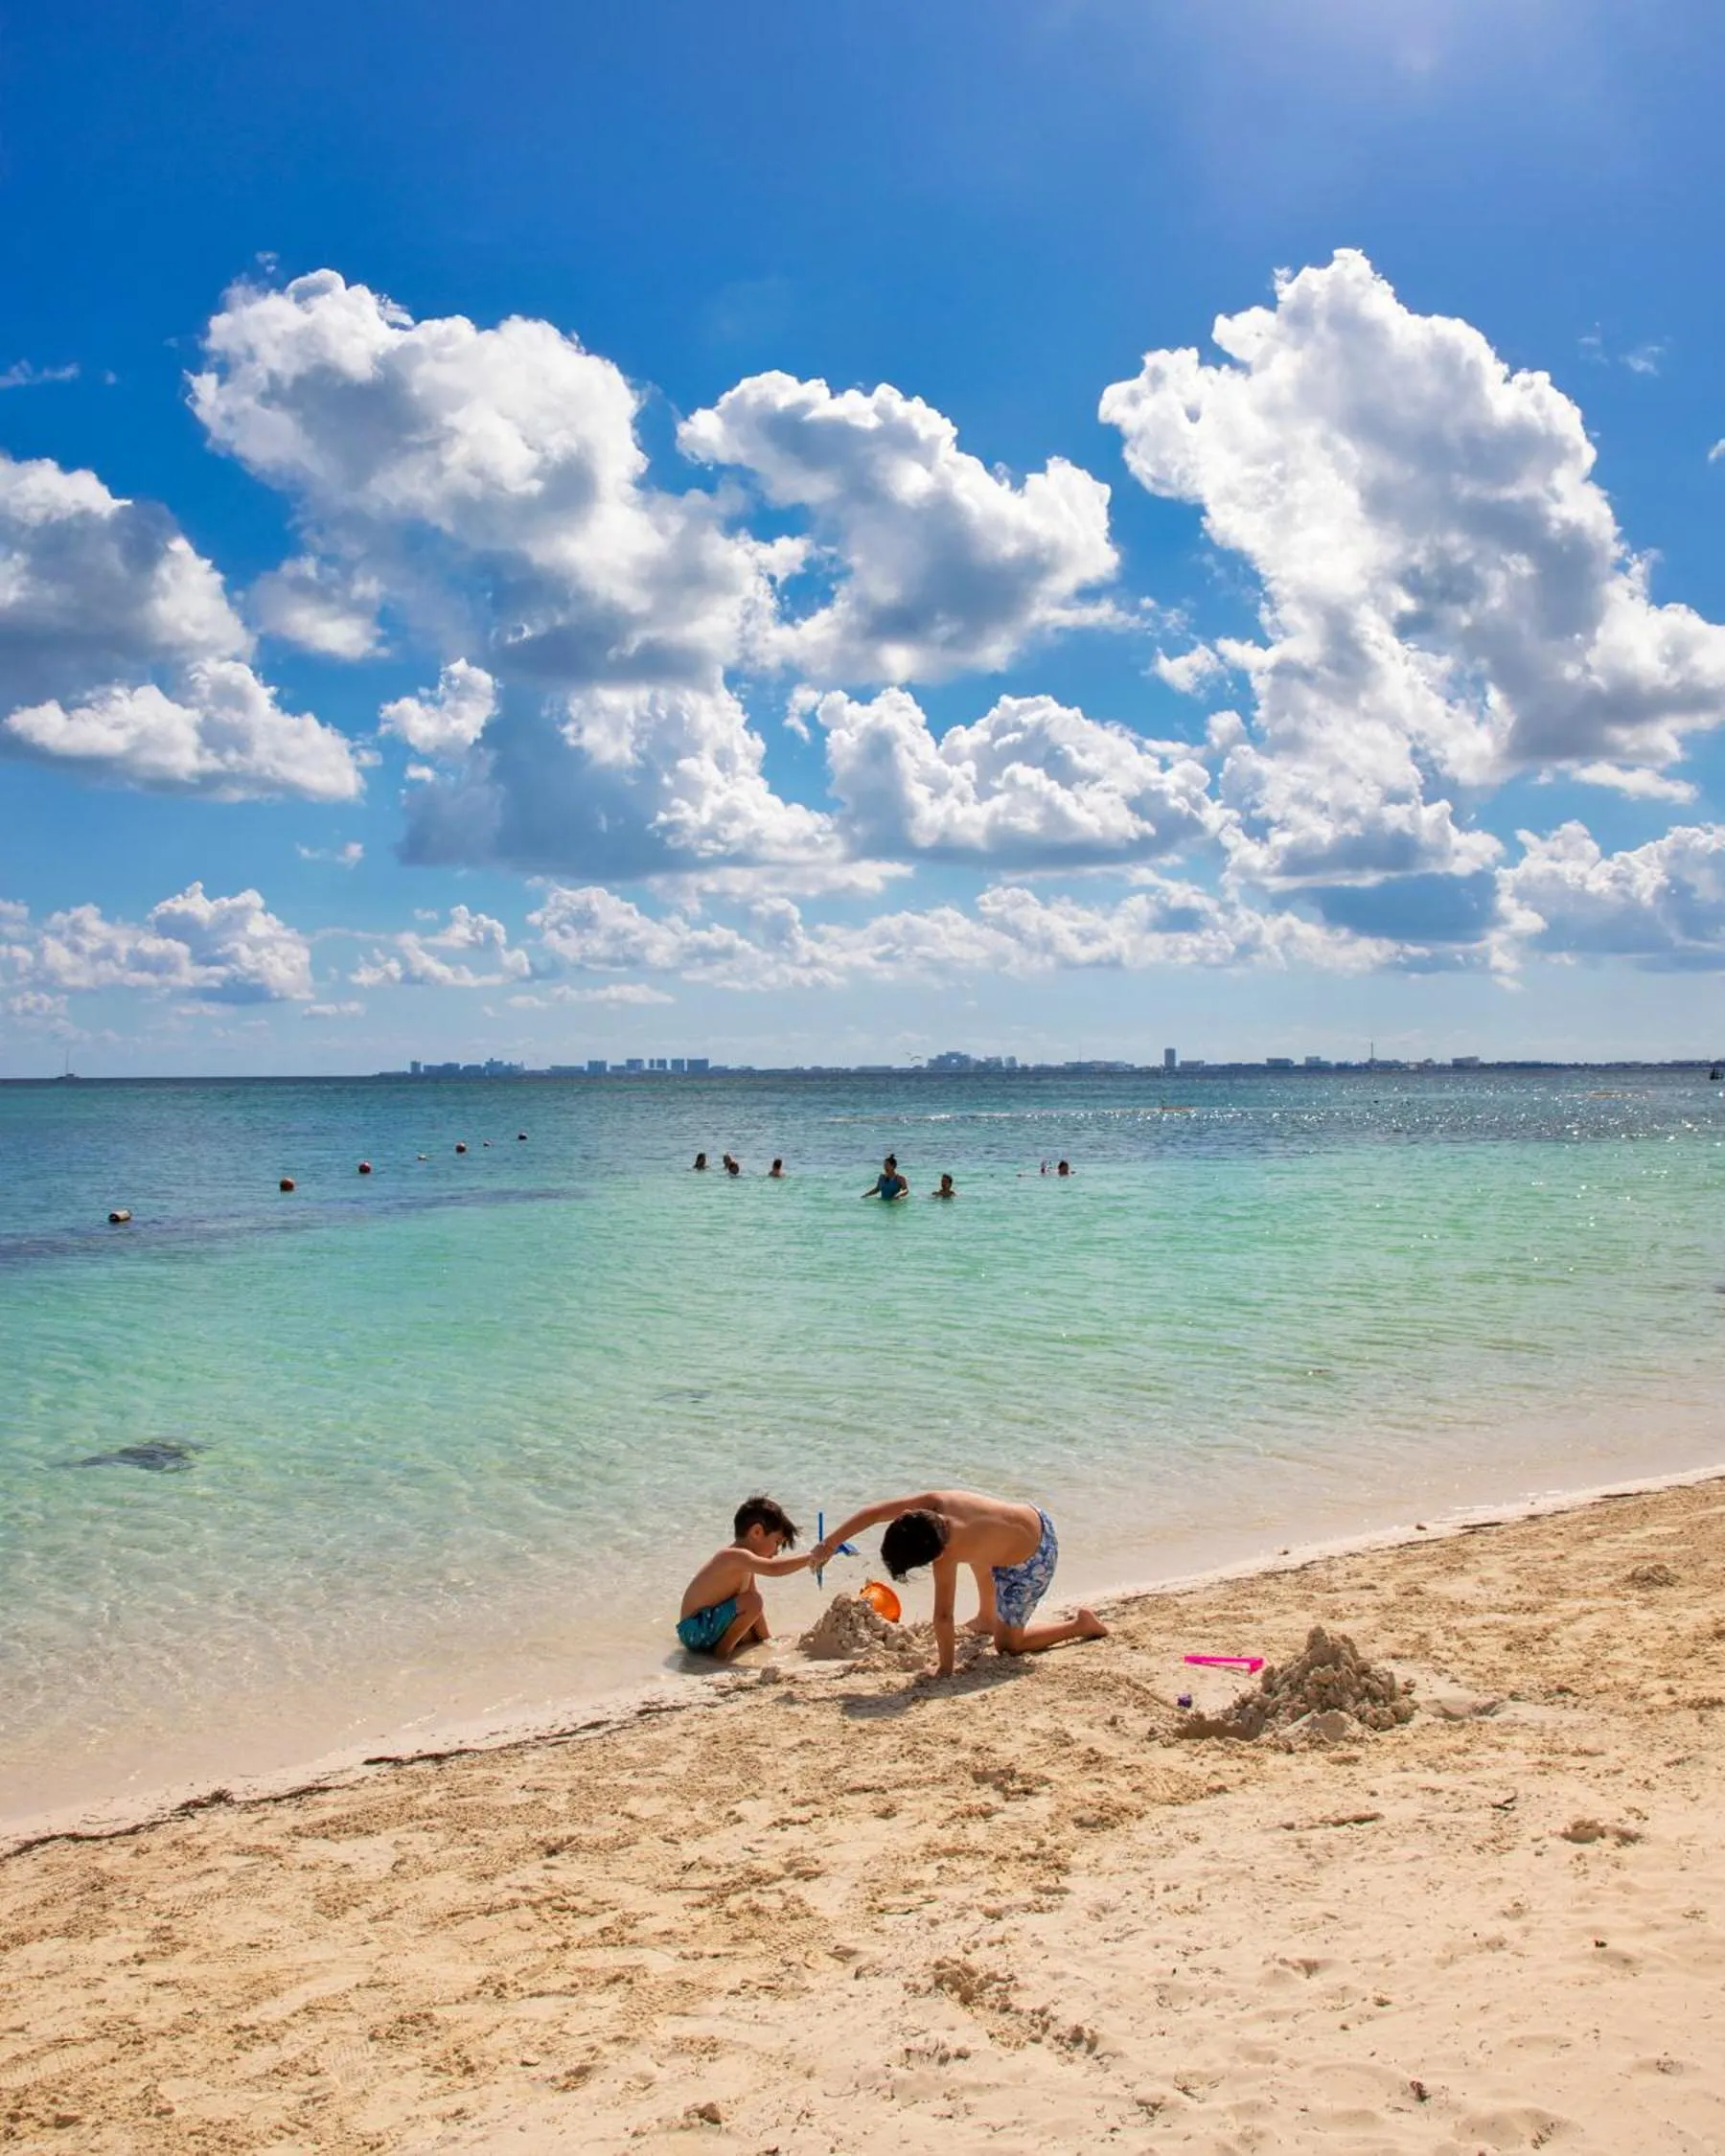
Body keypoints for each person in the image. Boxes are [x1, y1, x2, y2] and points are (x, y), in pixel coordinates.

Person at [810, 1489, 1107, 1677]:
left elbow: (943, 1617)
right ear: (906, 1515)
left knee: (1008, 1646)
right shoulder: (937, 1502)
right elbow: (874, 1513)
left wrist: (945, 1668)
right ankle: (987, 1617)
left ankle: (1081, 1625)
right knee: (978, 1550)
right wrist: (830, 1544)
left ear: (933, 1556)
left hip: (1033, 1562)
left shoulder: (948, 1553)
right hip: (1037, 1519)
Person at [677, 1495, 813, 1660]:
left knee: (751, 1634)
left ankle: (722, 1651)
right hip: (695, 1628)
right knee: (753, 1601)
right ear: (756, 1532)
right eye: (777, 1542)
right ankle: (721, 1655)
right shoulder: (733, 1556)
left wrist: (766, 1640)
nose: (777, 1551)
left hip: (701, 1629)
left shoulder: (745, 1564)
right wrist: (812, 1558)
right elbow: (774, 1569)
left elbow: (756, 1613)